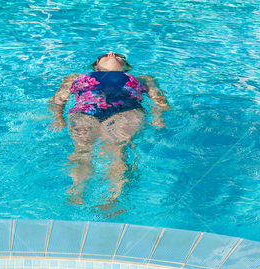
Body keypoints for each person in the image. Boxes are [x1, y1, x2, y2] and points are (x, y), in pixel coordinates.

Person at [48, 51, 169, 210]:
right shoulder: (75, 77)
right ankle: (76, 193)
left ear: (125, 66)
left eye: (119, 56)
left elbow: (160, 100)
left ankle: (114, 198)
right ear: (96, 66)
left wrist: (158, 116)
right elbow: (58, 99)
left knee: (116, 150)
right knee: (82, 150)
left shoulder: (143, 79)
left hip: (125, 112)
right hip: (85, 112)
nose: (111, 53)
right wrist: (58, 117)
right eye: (104, 55)